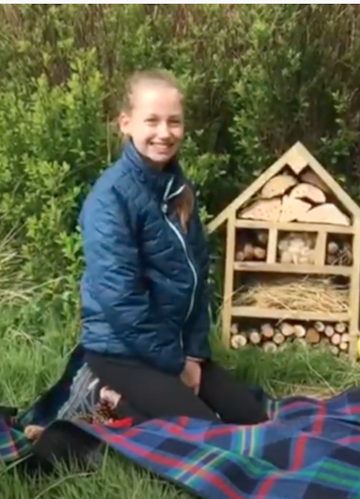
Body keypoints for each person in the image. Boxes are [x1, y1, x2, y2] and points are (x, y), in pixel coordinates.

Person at [78, 69, 268, 426]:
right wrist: (174, 364)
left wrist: (194, 355)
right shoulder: (110, 199)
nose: (164, 133)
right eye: (152, 120)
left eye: (174, 122)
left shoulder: (178, 189)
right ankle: (104, 397)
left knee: (253, 420)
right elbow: (121, 300)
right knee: (206, 436)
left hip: (175, 349)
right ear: (126, 122)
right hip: (121, 351)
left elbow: (198, 278)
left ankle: (146, 399)